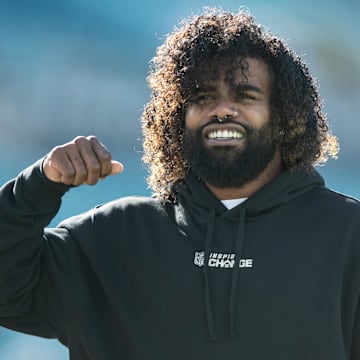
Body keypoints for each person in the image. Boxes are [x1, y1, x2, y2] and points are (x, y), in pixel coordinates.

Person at [0, 7, 359, 360]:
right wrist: (39, 184)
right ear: (175, 119)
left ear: (284, 117)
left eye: (245, 95)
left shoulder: (348, 234)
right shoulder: (110, 235)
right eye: (202, 98)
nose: (222, 109)